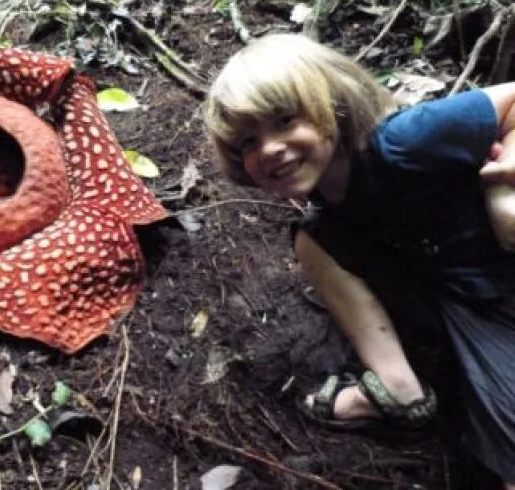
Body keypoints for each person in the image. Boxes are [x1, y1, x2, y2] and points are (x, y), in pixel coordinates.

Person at [203, 33, 515, 488]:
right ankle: (399, 389)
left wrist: (504, 186)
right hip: (460, 297)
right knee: (314, 237)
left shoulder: (408, 140)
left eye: (286, 121)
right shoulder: (328, 214)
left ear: (332, 106)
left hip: (500, 277)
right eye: (248, 142)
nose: (269, 148)